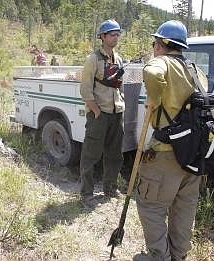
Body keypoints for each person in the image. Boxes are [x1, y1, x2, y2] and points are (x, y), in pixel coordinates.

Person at [133, 20, 208, 261]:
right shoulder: (197, 71)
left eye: (155, 43)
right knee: (184, 209)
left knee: (151, 207)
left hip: (165, 154)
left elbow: (151, 71)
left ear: (163, 44)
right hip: (193, 156)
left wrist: (153, 99)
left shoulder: (162, 62)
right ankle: (178, 256)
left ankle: (159, 258)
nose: (154, 47)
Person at [79, 19, 125, 205]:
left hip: (116, 113)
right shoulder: (93, 59)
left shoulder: (118, 58)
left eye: (117, 34)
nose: (115, 38)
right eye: (112, 34)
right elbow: (85, 90)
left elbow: (118, 87)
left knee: (115, 154)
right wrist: (96, 111)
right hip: (100, 114)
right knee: (91, 154)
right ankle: (86, 193)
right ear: (103, 37)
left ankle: (110, 188)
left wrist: (121, 104)